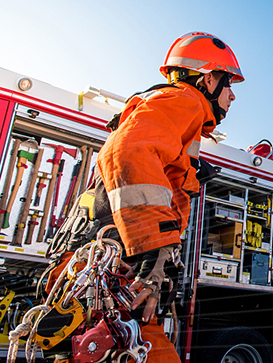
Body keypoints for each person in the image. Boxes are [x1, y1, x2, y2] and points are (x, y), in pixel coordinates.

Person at [42, 32, 243, 362]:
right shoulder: (186, 100)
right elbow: (127, 153)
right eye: (229, 83)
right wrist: (152, 250)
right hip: (112, 269)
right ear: (209, 78)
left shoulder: (167, 110)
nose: (232, 95)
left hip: (96, 267)